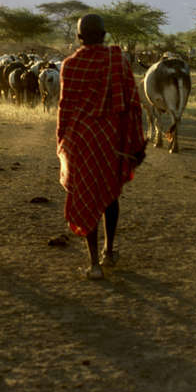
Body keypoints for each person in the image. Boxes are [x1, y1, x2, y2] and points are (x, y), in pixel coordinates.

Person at [56, 14, 146, 279]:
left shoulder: (70, 64)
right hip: (109, 138)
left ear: (79, 37)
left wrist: (62, 140)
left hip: (80, 140)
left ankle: (94, 263)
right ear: (105, 35)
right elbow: (132, 102)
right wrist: (135, 142)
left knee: (86, 195)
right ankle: (109, 251)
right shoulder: (116, 60)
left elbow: (65, 106)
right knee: (109, 193)